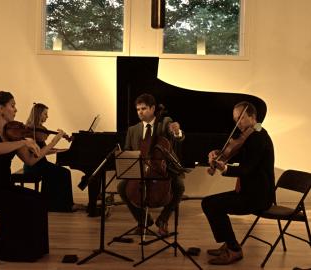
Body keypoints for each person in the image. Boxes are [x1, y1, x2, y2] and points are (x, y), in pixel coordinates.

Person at [0, 91, 65, 262]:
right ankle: (7, 249)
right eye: (12, 105)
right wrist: (24, 142)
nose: (16, 110)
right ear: (1, 108)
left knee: (39, 199)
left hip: (5, 186)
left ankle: (37, 250)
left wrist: (51, 143)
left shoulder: (12, 133)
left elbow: (30, 160)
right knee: (24, 204)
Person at [201, 101, 275, 265]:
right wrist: (218, 154)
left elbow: (247, 169)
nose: (238, 124)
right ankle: (229, 244)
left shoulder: (258, 137)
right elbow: (240, 156)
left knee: (211, 204)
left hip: (257, 197)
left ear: (253, 117)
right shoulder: (253, 135)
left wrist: (225, 168)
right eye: (235, 120)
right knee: (209, 203)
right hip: (250, 192)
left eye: (241, 119)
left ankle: (234, 249)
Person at [117, 93, 185, 236]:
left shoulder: (165, 122)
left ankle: (163, 220)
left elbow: (177, 137)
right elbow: (128, 151)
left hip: (161, 168)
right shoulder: (133, 130)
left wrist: (177, 131)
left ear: (153, 108)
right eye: (138, 109)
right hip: (140, 169)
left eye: (144, 108)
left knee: (179, 186)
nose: (140, 112)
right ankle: (143, 220)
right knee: (122, 187)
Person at [23, 103, 79, 212]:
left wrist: (61, 150)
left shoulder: (38, 129)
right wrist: (56, 139)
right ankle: (65, 205)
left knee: (61, 172)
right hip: (34, 165)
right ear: (38, 114)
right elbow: (37, 153)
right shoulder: (30, 130)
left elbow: (44, 150)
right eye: (45, 114)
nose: (47, 116)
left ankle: (54, 203)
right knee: (64, 173)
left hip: (41, 163)